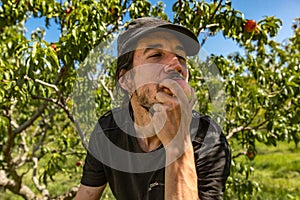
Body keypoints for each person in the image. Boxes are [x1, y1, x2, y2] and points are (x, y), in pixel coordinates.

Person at [75, 17, 231, 200]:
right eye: (156, 55)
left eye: (181, 58)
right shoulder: (108, 130)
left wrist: (178, 142)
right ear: (126, 80)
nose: (176, 65)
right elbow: (86, 195)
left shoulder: (208, 138)